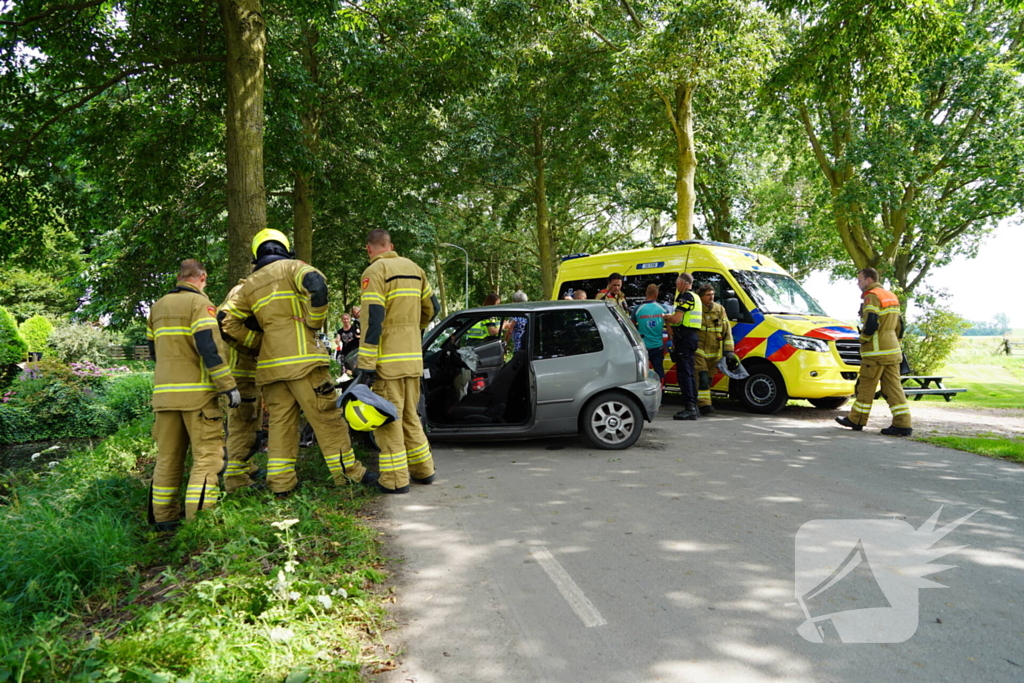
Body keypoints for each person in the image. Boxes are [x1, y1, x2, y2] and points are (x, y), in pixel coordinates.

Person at [221, 228, 377, 496]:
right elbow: (316, 285)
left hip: (271, 368)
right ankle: (349, 475)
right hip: (304, 363)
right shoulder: (294, 268)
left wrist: (258, 342)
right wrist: (314, 322)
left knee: (282, 425)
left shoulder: (249, 284)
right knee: (327, 417)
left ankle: (280, 484)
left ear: (257, 254)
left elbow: (225, 321)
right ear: (285, 248)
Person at [146, 259, 240, 531]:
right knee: (207, 458)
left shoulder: (157, 307)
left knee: (167, 458)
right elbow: (209, 347)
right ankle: (199, 523)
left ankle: (164, 521)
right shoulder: (200, 304)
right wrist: (228, 386)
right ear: (202, 278)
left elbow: (154, 353)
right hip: (198, 397)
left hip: (164, 398)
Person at [356, 228, 440, 493]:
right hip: (412, 359)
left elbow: (373, 319)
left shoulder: (375, 272)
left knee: (388, 420)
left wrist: (366, 365)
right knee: (410, 417)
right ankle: (424, 471)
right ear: (390, 245)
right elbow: (433, 308)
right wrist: (413, 330)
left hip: (387, 362)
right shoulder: (416, 269)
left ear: (369, 249)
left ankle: (395, 481)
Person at [836, 268, 913, 436]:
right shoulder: (891, 296)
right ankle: (903, 424)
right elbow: (900, 325)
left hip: (875, 353)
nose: (858, 283)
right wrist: (895, 342)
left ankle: (856, 419)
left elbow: (871, 323)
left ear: (869, 280)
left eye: (860, 280)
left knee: (866, 386)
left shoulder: (871, 296)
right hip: (892, 351)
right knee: (894, 388)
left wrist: (862, 339)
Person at [218, 280, 265, 494]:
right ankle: (236, 480)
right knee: (242, 425)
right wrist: (258, 344)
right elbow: (228, 324)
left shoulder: (244, 292)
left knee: (251, 422)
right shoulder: (247, 294)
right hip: (242, 372)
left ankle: (246, 466)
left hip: (246, 372)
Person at [662, 273, 702, 420]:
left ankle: (690, 407)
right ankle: (694, 406)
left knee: (684, 373)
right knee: (689, 372)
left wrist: (666, 317)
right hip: (690, 337)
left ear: (684, 283)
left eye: (677, 284)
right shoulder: (696, 297)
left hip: (685, 338)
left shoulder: (686, 297)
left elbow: (676, 318)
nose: (676, 286)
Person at [694, 284, 739, 415]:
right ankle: (704, 405)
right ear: (701, 297)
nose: (711, 297)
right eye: (708, 295)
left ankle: (700, 402)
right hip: (698, 349)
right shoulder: (696, 309)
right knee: (701, 376)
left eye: (712, 294)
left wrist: (729, 350)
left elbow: (727, 330)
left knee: (707, 380)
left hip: (714, 352)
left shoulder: (719, 309)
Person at [632, 283, 669, 382]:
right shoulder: (663, 309)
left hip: (643, 346)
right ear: (656, 294)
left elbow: (632, 328)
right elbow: (669, 326)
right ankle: (661, 390)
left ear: (646, 293)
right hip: (658, 346)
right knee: (659, 369)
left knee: (642, 371)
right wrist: (670, 339)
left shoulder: (637, 309)